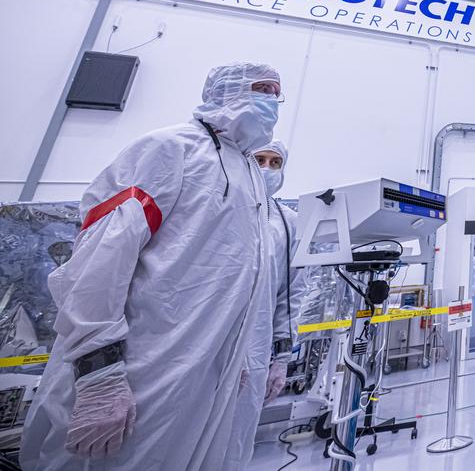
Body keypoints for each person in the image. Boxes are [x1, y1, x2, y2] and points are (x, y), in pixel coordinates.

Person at [21, 62, 283, 470]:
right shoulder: (171, 149)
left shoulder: (248, 171)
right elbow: (99, 262)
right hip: (142, 365)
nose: (269, 101)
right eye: (259, 89)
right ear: (225, 90)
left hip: (209, 370)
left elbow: (241, 282)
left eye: (275, 94)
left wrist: (240, 357)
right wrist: (99, 373)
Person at [252, 139, 302, 408]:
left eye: (275, 163)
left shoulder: (288, 221)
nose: (267, 169)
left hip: (256, 346)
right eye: (259, 160)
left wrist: (282, 357)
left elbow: (292, 293)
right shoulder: (218, 207)